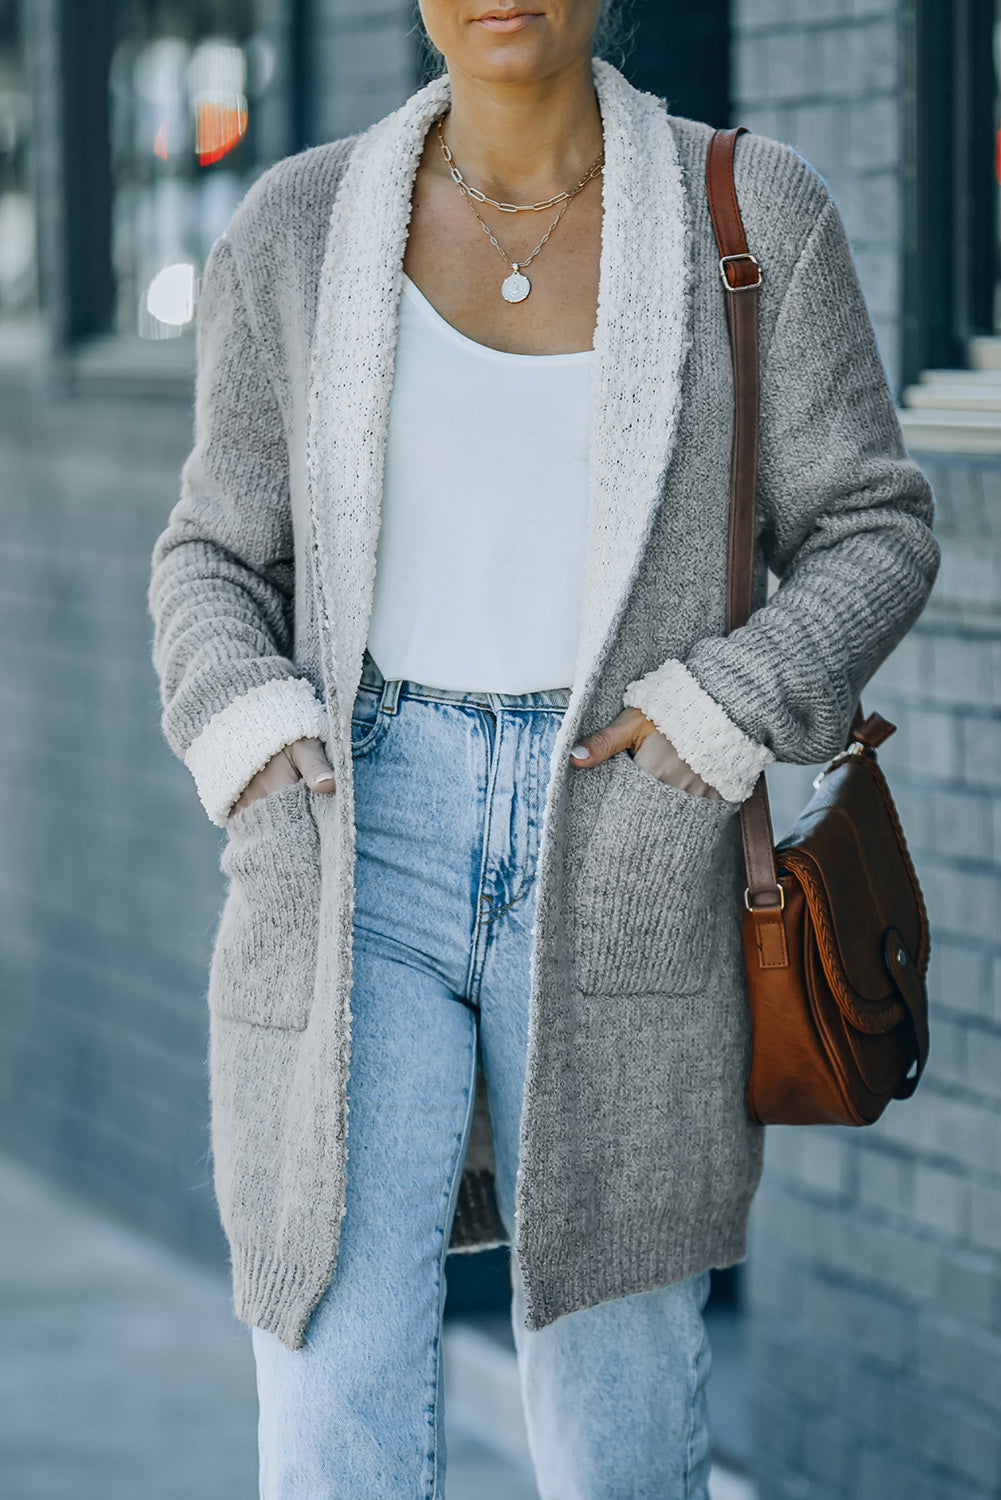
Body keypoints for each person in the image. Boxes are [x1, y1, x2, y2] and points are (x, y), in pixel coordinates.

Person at [147, 2, 940, 1494]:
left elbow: (871, 528)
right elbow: (210, 553)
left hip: (629, 840)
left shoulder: (746, 207)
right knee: (331, 1391)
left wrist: (717, 717)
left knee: (620, 1406)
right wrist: (254, 747)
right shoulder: (299, 227)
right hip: (350, 846)